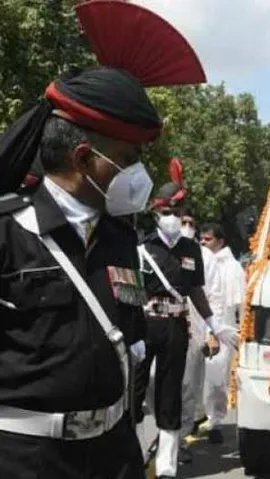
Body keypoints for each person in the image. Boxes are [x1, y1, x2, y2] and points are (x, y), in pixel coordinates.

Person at [0, 2, 204, 478]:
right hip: (24, 457)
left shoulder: (116, 237)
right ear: (84, 156)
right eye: (129, 158)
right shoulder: (10, 231)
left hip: (113, 453)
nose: (139, 174)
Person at [134, 184, 231, 479]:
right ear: (155, 213)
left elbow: (195, 290)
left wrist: (214, 324)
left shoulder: (191, 250)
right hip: (144, 325)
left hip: (176, 325)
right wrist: (128, 333)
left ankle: (166, 465)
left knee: (170, 394)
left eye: (176, 213)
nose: (172, 218)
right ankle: (130, 454)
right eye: (166, 212)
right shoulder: (142, 247)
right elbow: (128, 291)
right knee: (133, 393)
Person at [176, 206, 224, 459]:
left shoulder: (203, 256)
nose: (183, 225)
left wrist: (211, 331)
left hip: (194, 329)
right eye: (180, 220)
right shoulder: (151, 249)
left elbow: (213, 296)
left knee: (186, 386)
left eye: (188, 222)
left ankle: (179, 440)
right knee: (155, 384)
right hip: (159, 327)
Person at [199, 222, 245, 444]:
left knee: (217, 379)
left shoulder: (232, 267)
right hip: (196, 325)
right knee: (195, 379)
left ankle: (215, 420)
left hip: (221, 327)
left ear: (220, 241)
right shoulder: (199, 260)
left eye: (208, 239)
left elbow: (238, 303)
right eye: (202, 238)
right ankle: (196, 418)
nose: (203, 242)